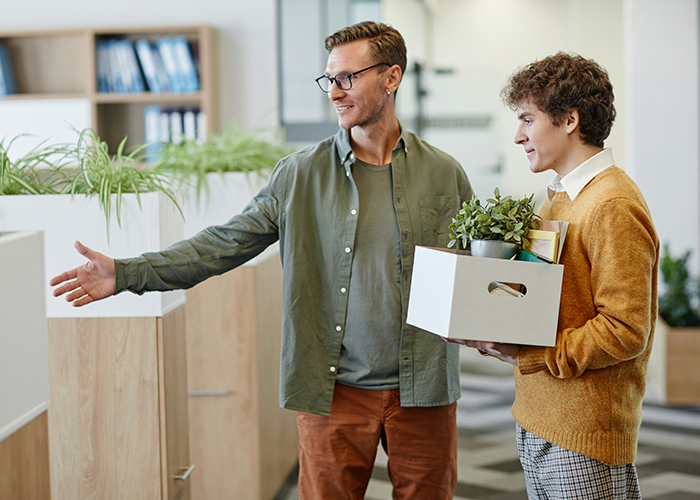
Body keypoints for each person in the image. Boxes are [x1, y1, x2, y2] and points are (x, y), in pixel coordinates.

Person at [51, 21, 473, 499]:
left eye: (347, 78)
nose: (334, 92)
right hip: (332, 390)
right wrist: (127, 273)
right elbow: (221, 244)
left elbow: (478, 266)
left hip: (424, 389)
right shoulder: (299, 175)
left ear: (392, 77)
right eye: (329, 79)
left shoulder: (444, 173)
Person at [460, 52, 659, 499]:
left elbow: (626, 331)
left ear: (569, 119)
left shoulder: (611, 205)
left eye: (527, 119)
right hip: (540, 416)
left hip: (583, 433)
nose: (517, 136)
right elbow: (549, 299)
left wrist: (529, 353)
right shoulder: (557, 199)